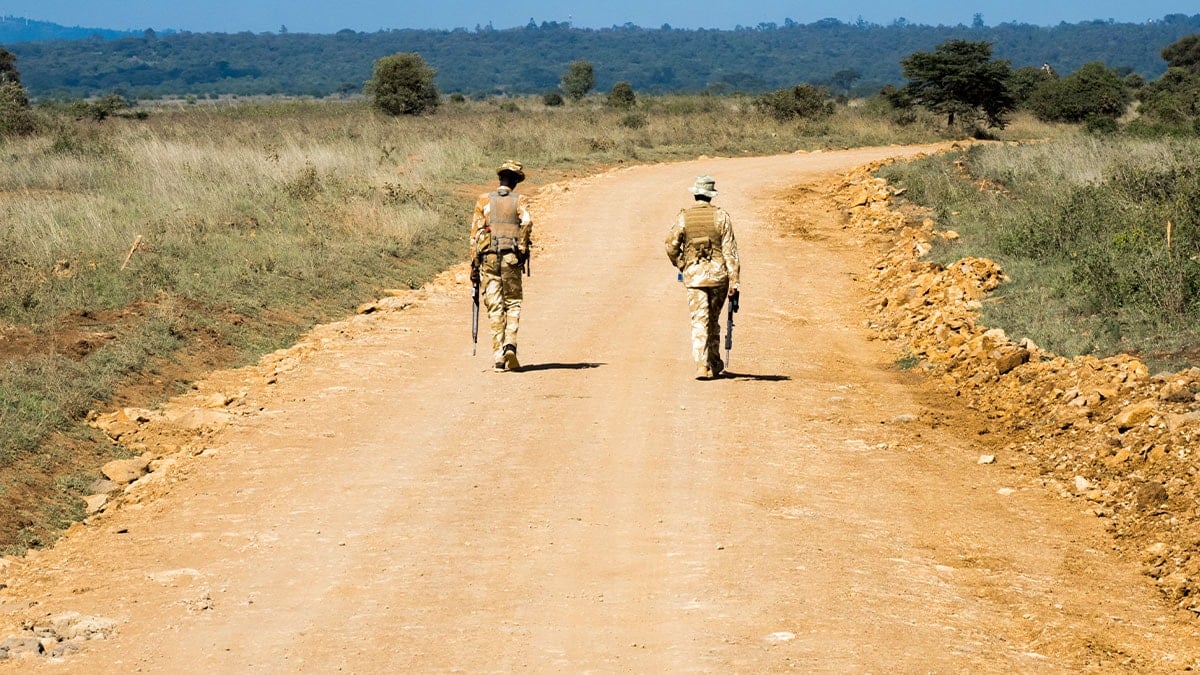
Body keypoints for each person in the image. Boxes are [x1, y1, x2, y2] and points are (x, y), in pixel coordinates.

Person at [665, 174, 740, 380]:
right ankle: (714, 363)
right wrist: (735, 281)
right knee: (713, 320)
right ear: (711, 196)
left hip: (694, 277)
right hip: (718, 277)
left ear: (695, 194)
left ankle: (701, 364)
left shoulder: (684, 217)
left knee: (699, 320)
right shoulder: (721, 217)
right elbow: (730, 252)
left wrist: (681, 263)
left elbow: (670, 246)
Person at [470, 160, 533, 372]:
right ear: (515, 181)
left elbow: (474, 235)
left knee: (495, 306)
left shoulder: (483, 200)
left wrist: (474, 265)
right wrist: (522, 247)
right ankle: (510, 345)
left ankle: (498, 357)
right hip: (511, 258)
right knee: (513, 302)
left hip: (488, 259)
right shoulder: (520, 200)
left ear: (500, 179)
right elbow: (527, 222)